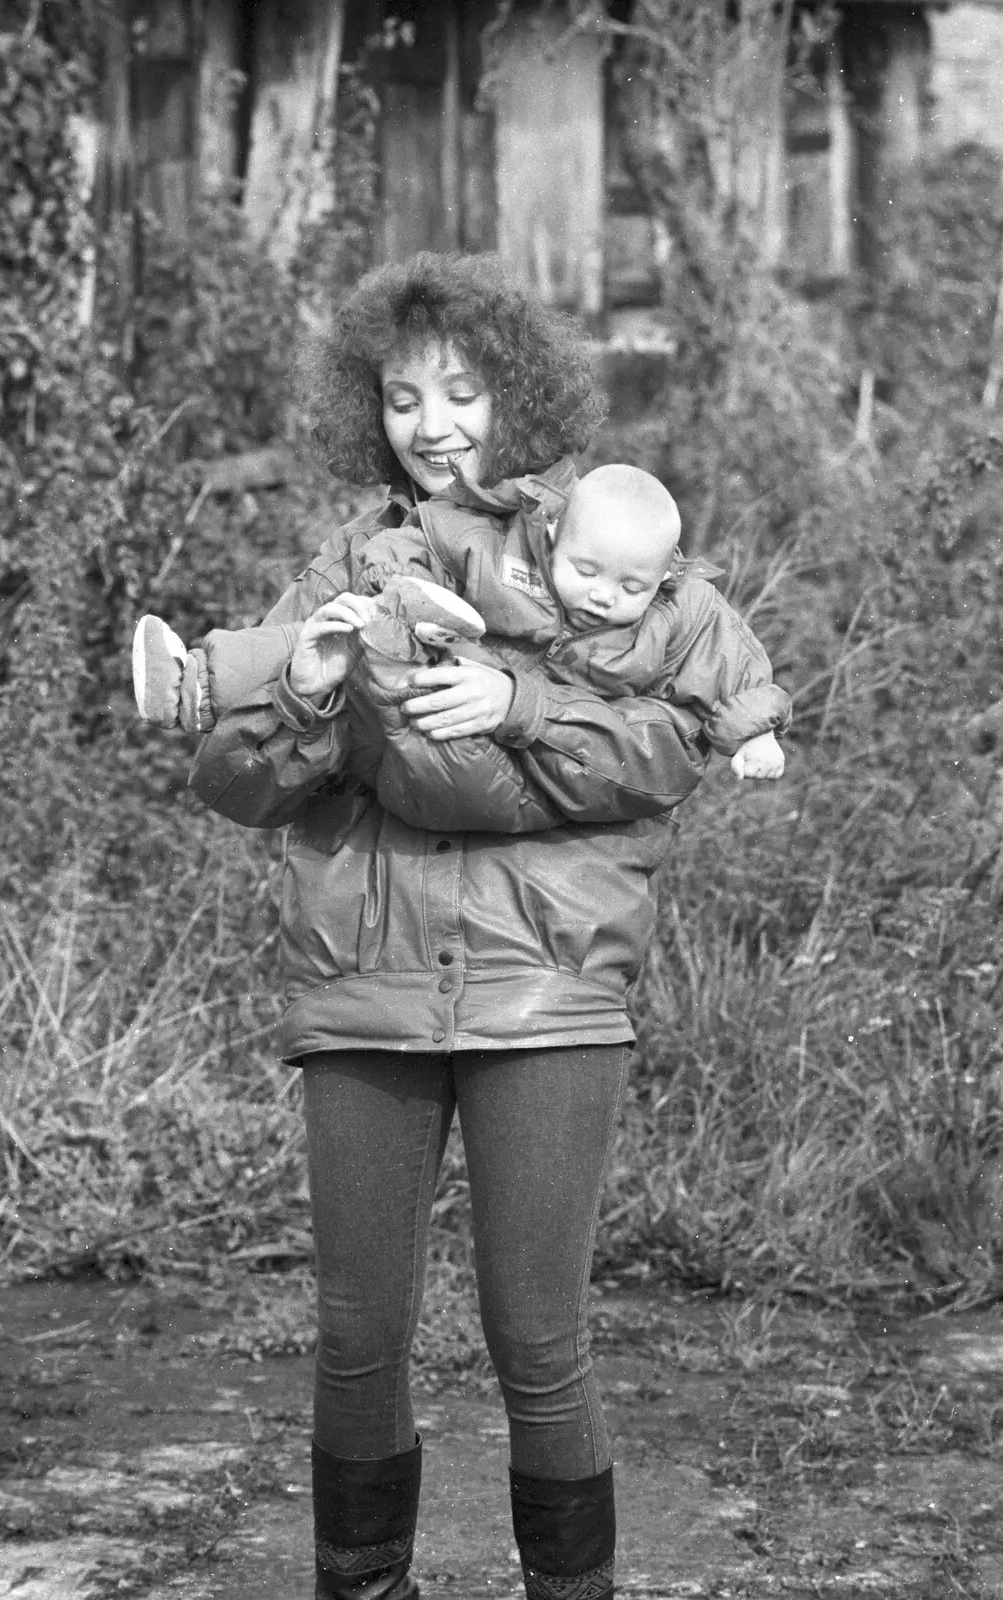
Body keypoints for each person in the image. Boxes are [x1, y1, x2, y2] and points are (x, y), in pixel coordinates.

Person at [183, 251, 722, 1600]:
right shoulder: (344, 564)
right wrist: (311, 700)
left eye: (464, 393)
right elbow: (235, 779)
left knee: (537, 1335)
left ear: (518, 397)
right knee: (358, 1334)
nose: (433, 425)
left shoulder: (596, 551)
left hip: (546, 988)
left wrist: (520, 708)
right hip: (364, 982)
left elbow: (668, 746)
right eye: (404, 397)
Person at [133, 467, 789, 785]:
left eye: (630, 587)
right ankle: (197, 681)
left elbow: (732, 661)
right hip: (430, 647)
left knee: (364, 648)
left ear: (663, 578)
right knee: (333, 634)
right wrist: (397, 586)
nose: (602, 596)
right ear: (555, 537)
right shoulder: (498, 548)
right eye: (587, 570)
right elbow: (422, 538)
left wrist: (752, 734)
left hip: (499, 718)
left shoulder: (678, 613)